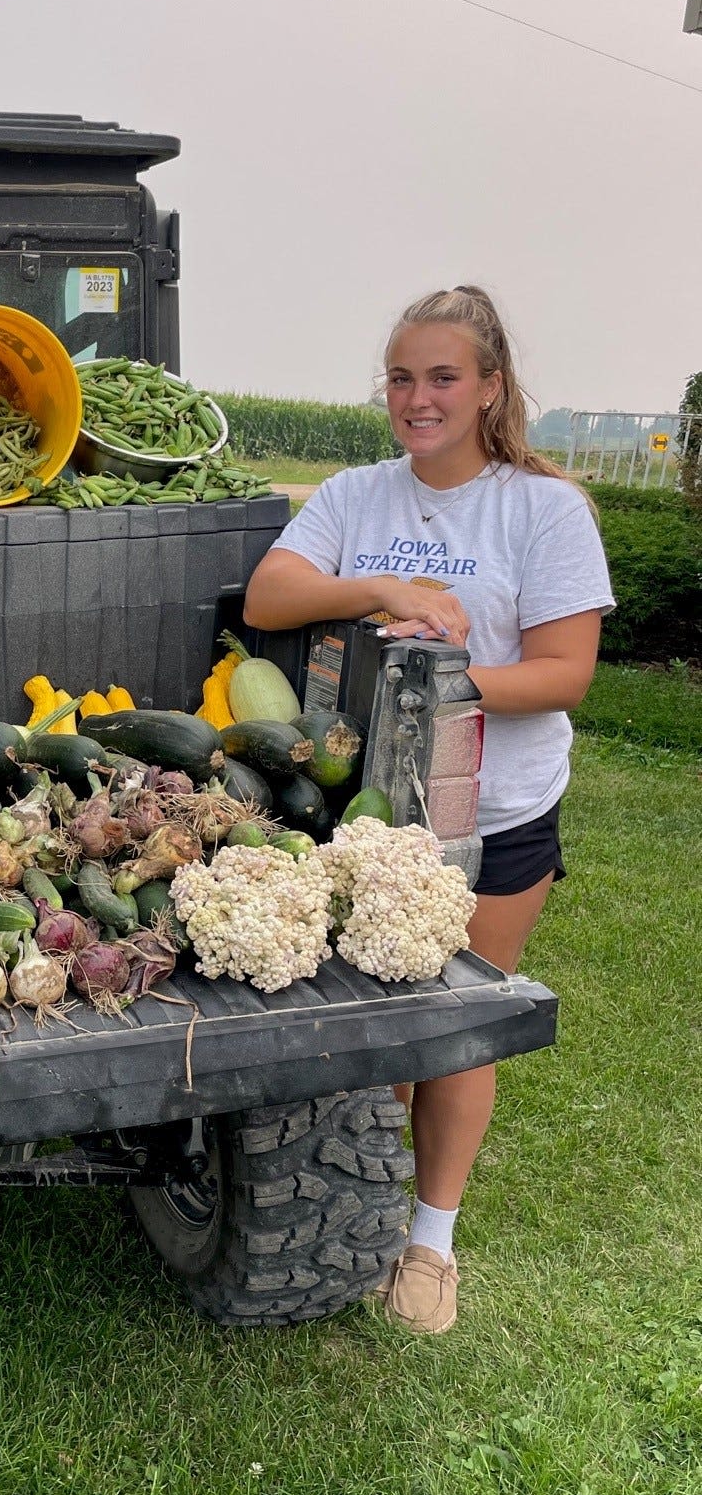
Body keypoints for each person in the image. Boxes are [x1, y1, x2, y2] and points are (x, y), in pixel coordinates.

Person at [242, 285, 613, 1334]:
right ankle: (359, 1203)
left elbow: (564, 672)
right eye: (402, 377)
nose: (418, 397)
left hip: (496, 812)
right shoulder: (359, 494)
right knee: (373, 1030)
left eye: (443, 377)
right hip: (367, 819)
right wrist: (387, 586)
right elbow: (270, 597)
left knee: (457, 1033)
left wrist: (436, 681)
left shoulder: (545, 510)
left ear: (491, 387)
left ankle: (430, 1240)